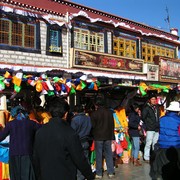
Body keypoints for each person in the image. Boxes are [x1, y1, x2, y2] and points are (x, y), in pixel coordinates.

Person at [33, 97, 94, 180]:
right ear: (65, 114)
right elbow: (79, 159)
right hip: (65, 175)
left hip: (45, 175)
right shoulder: (69, 133)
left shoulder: (40, 132)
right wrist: (90, 176)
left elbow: (36, 159)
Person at [0, 105, 42, 180]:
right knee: (27, 176)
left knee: (16, 176)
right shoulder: (31, 123)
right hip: (27, 154)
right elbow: (43, 129)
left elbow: (1, 136)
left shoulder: (10, 124)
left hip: (14, 154)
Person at [150, 101, 180, 180]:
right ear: (178, 111)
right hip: (176, 146)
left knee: (162, 166)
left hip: (162, 146)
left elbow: (160, 130)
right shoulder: (178, 120)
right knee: (174, 167)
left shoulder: (162, 119)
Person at [90, 97, 115, 179]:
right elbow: (112, 126)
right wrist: (112, 137)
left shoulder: (94, 114)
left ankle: (99, 173)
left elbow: (92, 126)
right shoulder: (110, 113)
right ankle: (111, 172)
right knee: (109, 154)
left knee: (99, 155)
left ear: (96, 104)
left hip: (98, 137)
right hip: (108, 136)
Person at [71, 105, 92, 180]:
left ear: (76, 111)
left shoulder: (75, 120)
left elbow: (72, 132)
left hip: (78, 142)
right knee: (86, 159)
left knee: (78, 160)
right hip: (86, 141)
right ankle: (88, 175)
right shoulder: (88, 118)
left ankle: (80, 177)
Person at [142, 94, 160, 163]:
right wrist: (148, 124)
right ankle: (146, 157)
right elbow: (143, 117)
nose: (154, 101)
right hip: (150, 128)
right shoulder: (147, 108)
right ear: (149, 100)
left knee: (155, 143)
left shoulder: (157, 108)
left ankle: (154, 156)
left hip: (156, 128)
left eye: (155, 99)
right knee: (148, 143)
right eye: (152, 99)